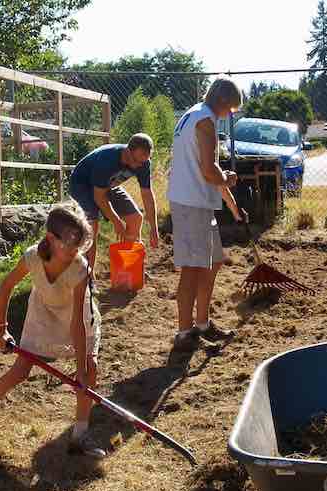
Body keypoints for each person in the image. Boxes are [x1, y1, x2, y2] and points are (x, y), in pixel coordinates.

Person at [0, 203, 105, 458]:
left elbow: (77, 324)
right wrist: (0, 329)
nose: (74, 252)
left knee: (91, 369)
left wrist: (81, 372)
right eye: (68, 246)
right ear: (50, 238)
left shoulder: (79, 268)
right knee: (19, 371)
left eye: (78, 246)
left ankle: (79, 436)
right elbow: (5, 287)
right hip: (43, 313)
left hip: (78, 316)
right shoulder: (32, 257)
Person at [167, 76, 246, 352]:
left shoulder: (193, 115)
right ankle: (184, 333)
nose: (230, 115)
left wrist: (234, 207)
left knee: (212, 262)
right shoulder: (205, 120)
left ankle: (202, 323)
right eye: (232, 109)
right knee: (191, 269)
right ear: (223, 101)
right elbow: (209, 171)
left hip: (197, 203)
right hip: (191, 205)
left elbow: (210, 173)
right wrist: (227, 178)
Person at [69, 133, 159, 270]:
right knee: (91, 226)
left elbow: (147, 194)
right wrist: (116, 222)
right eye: (136, 161)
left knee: (135, 218)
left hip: (109, 185)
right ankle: (88, 275)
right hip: (82, 185)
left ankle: (128, 268)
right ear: (128, 151)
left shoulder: (143, 163)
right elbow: (99, 197)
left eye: (143, 162)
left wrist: (154, 228)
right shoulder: (108, 159)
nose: (138, 166)